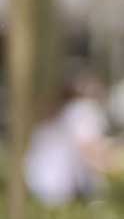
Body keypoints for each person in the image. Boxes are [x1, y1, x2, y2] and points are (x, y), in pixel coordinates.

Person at [24, 75, 110, 206]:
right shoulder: (83, 110)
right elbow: (89, 148)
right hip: (60, 189)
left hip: (38, 186)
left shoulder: (61, 112)